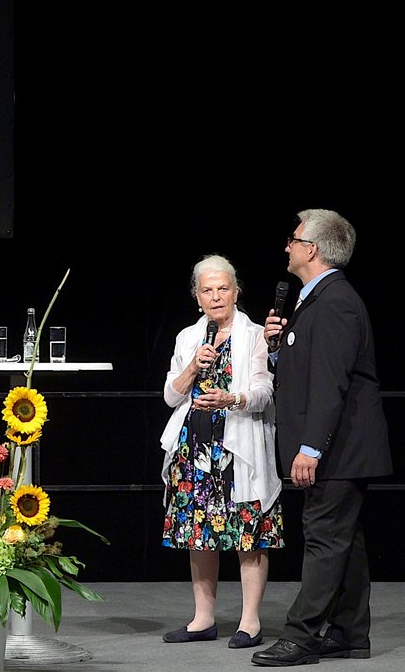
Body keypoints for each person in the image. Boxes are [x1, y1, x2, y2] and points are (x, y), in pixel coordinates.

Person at [252, 210, 392, 667]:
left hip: (339, 446)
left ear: (311, 249)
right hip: (341, 445)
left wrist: (310, 448)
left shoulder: (335, 302)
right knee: (343, 540)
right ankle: (351, 634)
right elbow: (308, 371)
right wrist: (277, 350)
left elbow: (331, 382)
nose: (286, 247)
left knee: (324, 538)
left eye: (292, 239)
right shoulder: (315, 300)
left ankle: (302, 636)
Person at [159, 254, 284, 649]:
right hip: (194, 451)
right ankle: (203, 619)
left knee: (248, 533)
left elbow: (265, 393)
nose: (216, 297)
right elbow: (170, 395)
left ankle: (250, 622)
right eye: (207, 290)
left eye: (223, 288)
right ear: (197, 297)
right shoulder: (187, 338)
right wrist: (193, 367)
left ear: (236, 291)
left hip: (239, 450)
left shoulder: (255, 336)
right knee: (199, 534)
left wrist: (232, 398)